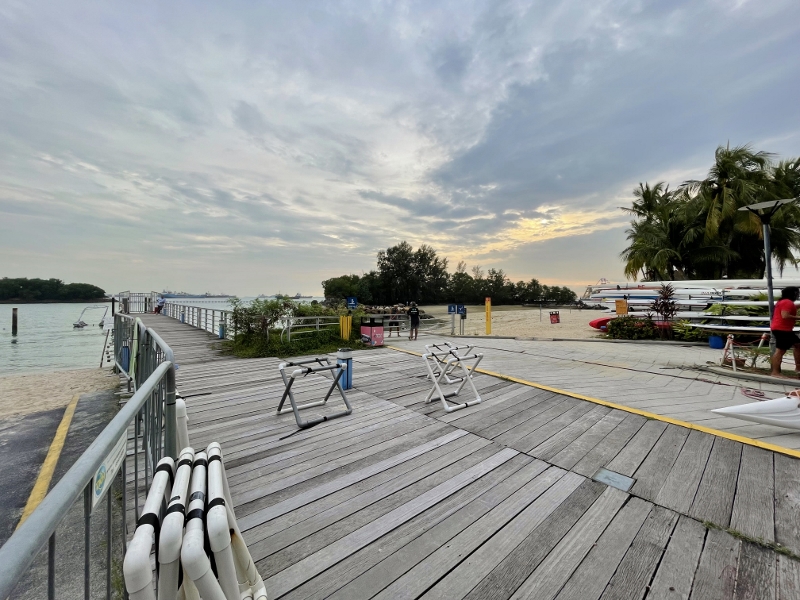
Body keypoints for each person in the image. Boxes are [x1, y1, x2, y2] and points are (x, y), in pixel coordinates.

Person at [770, 286, 800, 378]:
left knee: (798, 345)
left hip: (782, 329)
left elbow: (791, 308)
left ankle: (798, 368)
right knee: (780, 351)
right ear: (793, 294)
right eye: (797, 293)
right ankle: (775, 373)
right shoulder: (787, 302)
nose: (798, 295)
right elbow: (785, 315)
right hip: (782, 330)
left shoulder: (783, 302)